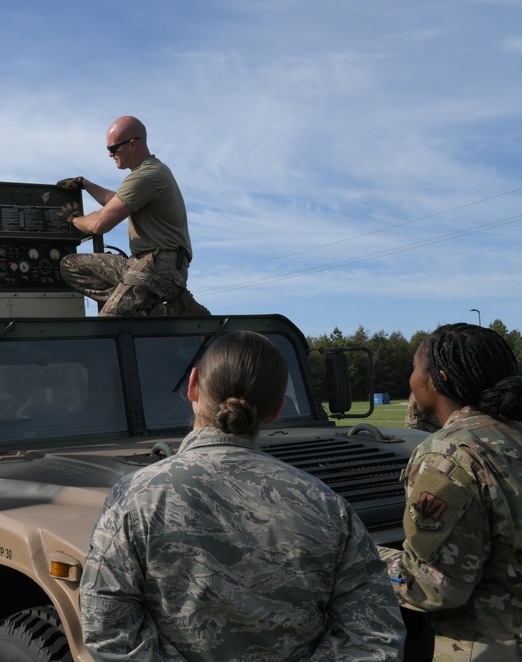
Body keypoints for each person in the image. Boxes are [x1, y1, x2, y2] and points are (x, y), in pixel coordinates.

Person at [80, 330, 405, 661]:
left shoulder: (137, 497)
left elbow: (108, 632)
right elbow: (375, 637)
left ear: (192, 385)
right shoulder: (324, 504)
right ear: (277, 410)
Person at [378, 323, 522, 660]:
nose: (410, 380)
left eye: (415, 369)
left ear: (436, 378)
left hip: (491, 645)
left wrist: (362, 557)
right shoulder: (509, 436)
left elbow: (435, 587)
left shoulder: (448, 455)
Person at [56, 115, 209, 317]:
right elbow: (117, 201)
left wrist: (73, 218)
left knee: (109, 327)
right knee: (70, 265)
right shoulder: (150, 171)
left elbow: (98, 225)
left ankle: (163, 311)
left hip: (160, 268)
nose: (110, 154)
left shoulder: (146, 176)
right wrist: (86, 184)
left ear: (133, 144)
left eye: (113, 148)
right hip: (140, 262)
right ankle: (143, 306)